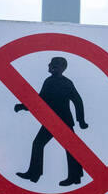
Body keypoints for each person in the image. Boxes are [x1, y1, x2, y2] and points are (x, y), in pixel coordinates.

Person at [14, 56, 88, 187]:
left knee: (69, 148)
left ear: (58, 67)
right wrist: (23, 106)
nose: (48, 65)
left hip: (62, 121)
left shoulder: (63, 82)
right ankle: (34, 173)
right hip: (52, 120)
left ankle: (73, 176)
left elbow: (77, 100)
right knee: (40, 144)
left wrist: (81, 120)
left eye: (52, 64)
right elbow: (39, 100)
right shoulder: (50, 81)